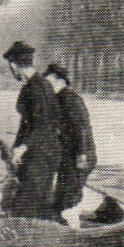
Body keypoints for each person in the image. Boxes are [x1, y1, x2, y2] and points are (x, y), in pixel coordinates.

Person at [1, 40, 63, 219]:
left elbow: (43, 124)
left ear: (13, 65)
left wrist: (23, 147)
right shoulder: (34, 85)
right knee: (28, 204)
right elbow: (27, 124)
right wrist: (16, 148)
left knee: (29, 205)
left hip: (43, 155)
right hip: (37, 152)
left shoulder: (38, 87)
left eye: (11, 66)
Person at [44, 63, 96, 215]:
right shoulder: (57, 99)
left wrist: (81, 155)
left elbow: (80, 129)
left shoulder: (71, 99)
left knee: (67, 202)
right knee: (62, 197)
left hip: (80, 158)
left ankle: (71, 231)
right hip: (68, 158)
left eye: (49, 82)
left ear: (60, 80)